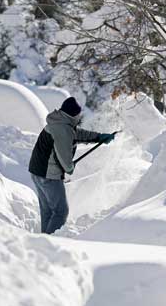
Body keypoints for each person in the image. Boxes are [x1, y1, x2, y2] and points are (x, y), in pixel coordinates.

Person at [28, 97, 115, 234]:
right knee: (61, 211)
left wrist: (99, 137)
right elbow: (64, 155)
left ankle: (43, 240)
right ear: (73, 114)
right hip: (48, 175)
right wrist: (69, 167)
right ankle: (50, 241)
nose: (79, 117)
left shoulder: (59, 122)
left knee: (48, 211)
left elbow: (77, 134)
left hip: (37, 172)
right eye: (78, 114)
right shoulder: (62, 129)